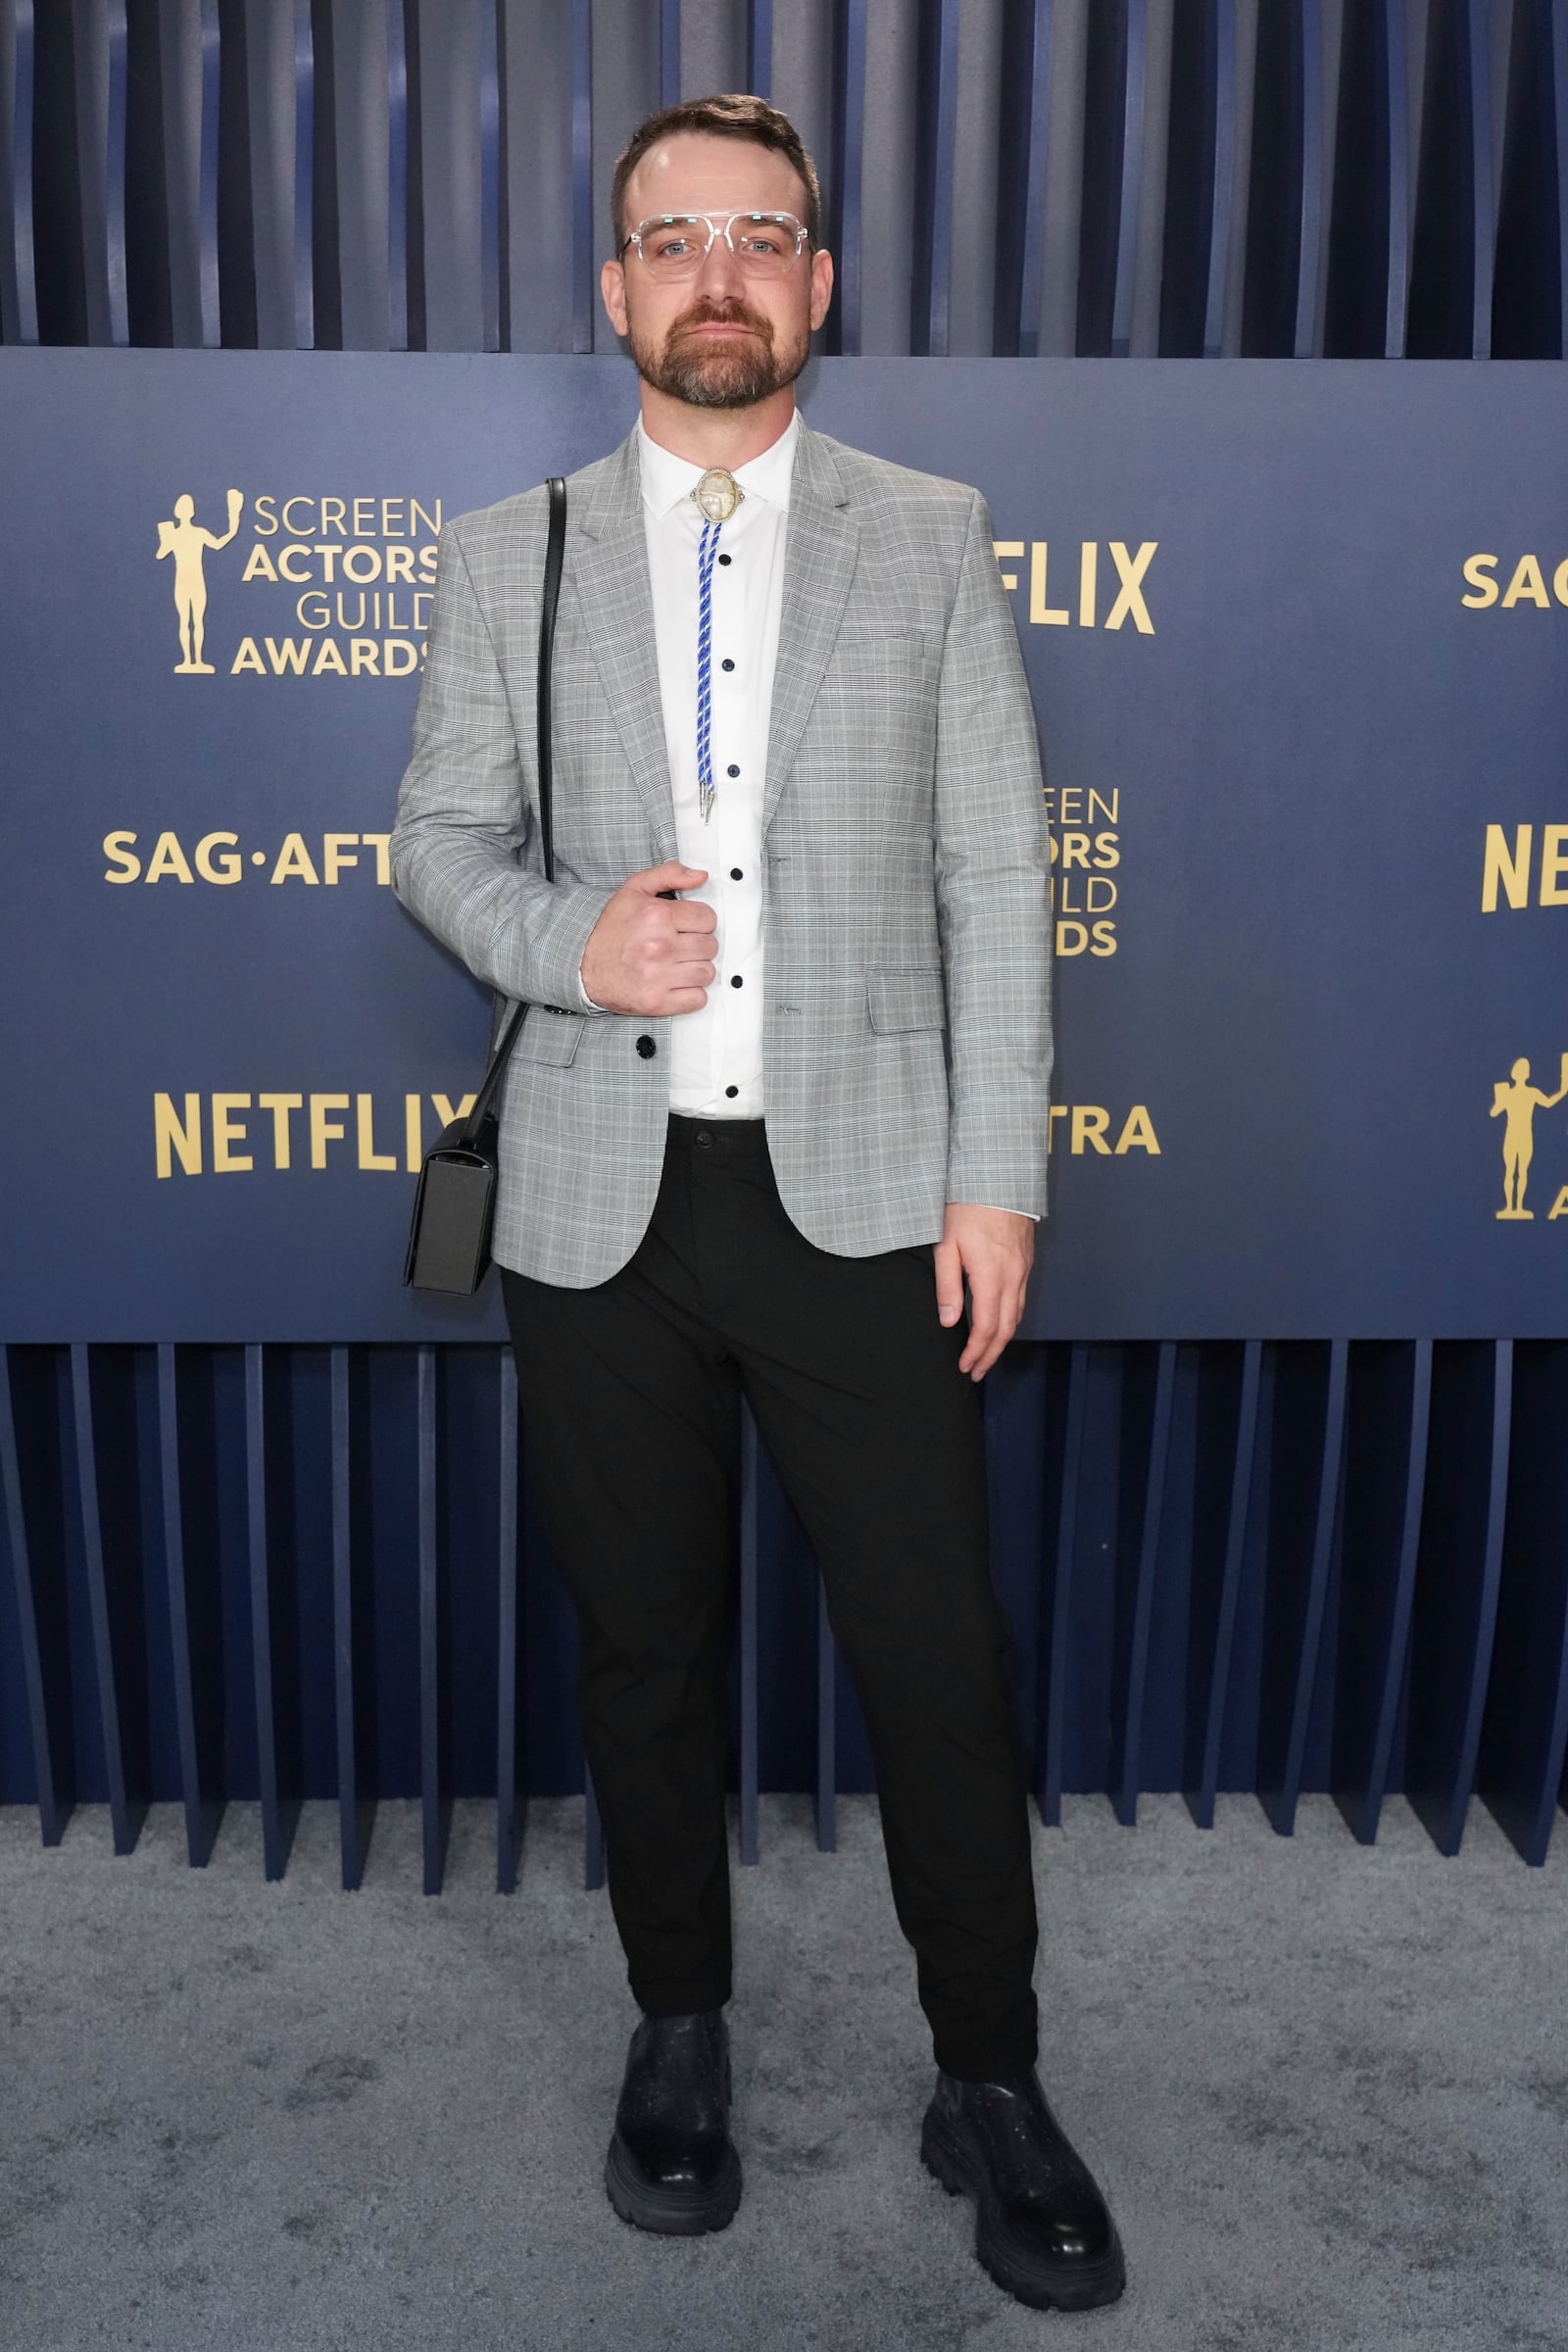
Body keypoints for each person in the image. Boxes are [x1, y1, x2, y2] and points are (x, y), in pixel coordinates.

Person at [391, 92, 1124, 2316]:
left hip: (871, 1199)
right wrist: (563, 944)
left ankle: (981, 2080)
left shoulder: (931, 534)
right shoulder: (504, 554)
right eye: (673, 236)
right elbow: (434, 843)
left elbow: (995, 874)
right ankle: (677, 2035)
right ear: (614, 289)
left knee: (936, 1669)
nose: (719, 269)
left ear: (815, 282)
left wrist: (997, 1174)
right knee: (644, 1654)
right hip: (605, 1207)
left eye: (762, 235)